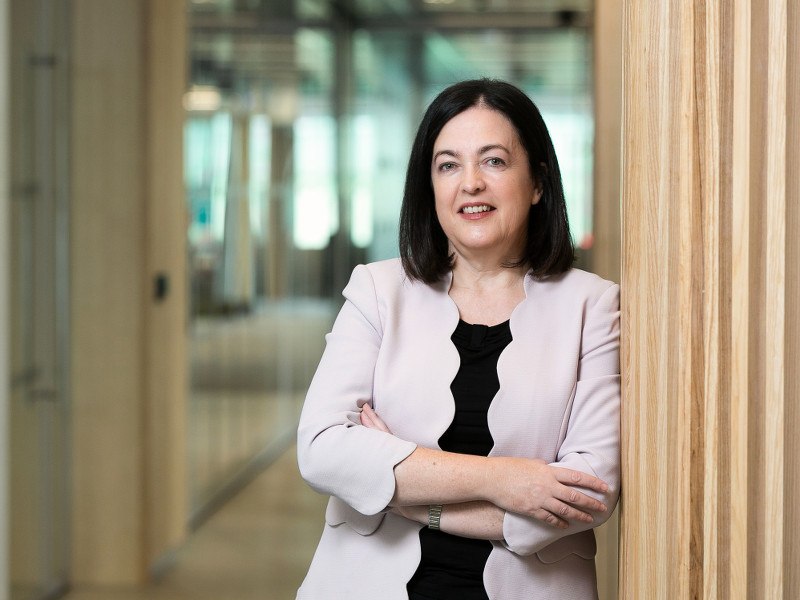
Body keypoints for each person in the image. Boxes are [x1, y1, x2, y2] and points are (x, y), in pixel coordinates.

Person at [296, 78, 620, 600]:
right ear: (430, 186)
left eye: (493, 161)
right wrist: (507, 480)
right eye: (448, 164)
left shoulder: (593, 305)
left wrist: (402, 491)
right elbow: (322, 450)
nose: (470, 183)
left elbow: (585, 494)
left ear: (537, 183)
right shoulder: (378, 291)